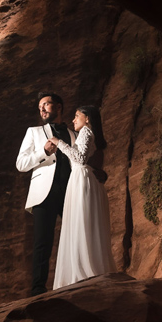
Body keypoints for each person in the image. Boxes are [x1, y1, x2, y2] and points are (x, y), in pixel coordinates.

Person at [48, 105, 117, 288]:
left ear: (87, 119)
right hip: (80, 179)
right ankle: (87, 268)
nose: (73, 120)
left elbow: (79, 159)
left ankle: (83, 271)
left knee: (81, 222)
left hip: (82, 180)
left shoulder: (86, 131)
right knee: (82, 223)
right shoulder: (86, 134)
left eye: (77, 116)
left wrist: (58, 142)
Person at [16, 92, 76, 295]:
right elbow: (21, 164)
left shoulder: (72, 133)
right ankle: (37, 289)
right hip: (44, 192)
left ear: (58, 107)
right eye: (39, 106)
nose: (41, 109)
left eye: (46, 104)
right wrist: (43, 151)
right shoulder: (33, 132)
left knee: (74, 236)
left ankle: (74, 281)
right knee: (43, 241)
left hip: (71, 190)